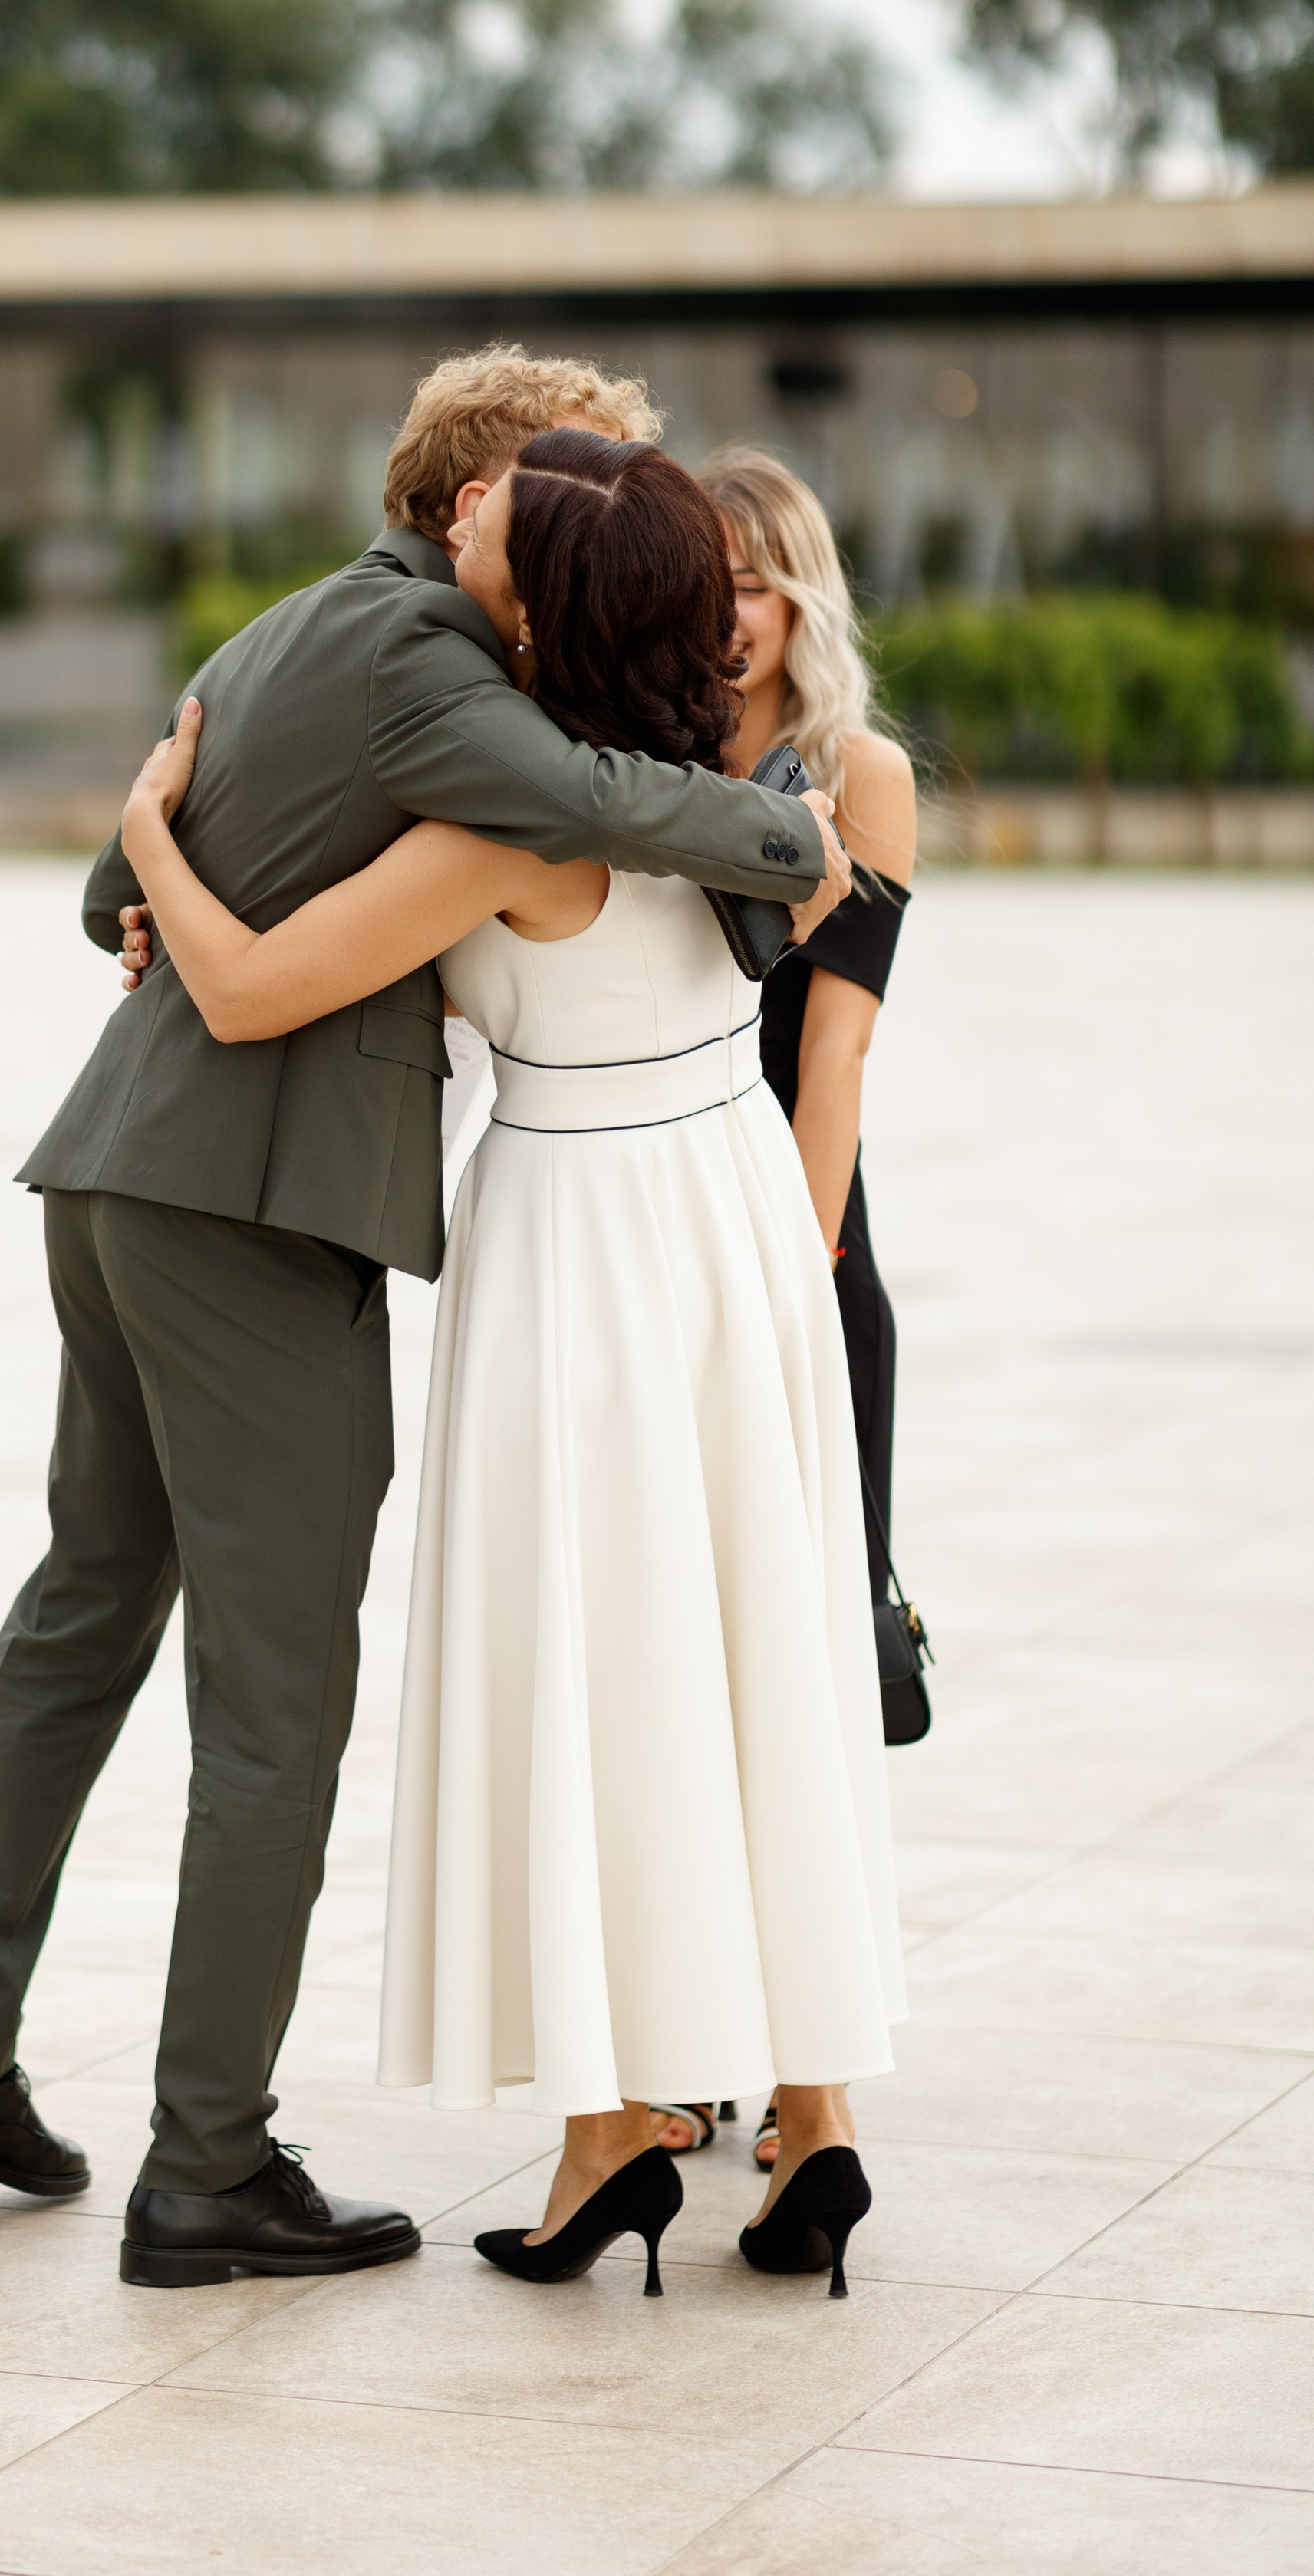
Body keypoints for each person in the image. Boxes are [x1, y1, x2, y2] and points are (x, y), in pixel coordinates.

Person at [0, 349, 850, 2288]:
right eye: (585, 492)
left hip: (119, 1177)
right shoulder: (433, 670)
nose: (618, 525)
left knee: (82, 1611)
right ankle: (206, 2166)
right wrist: (795, 838)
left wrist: (158, 867)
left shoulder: (287, 626)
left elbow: (105, 891)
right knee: (277, 1703)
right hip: (246, 1212)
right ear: (485, 505)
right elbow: (587, 804)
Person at [115, 429, 904, 2302]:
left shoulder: (493, 833)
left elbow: (241, 987)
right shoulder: (751, 792)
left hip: (579, 1236)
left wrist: (150, 835)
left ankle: (604, 2136)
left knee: (596, 1670)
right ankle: (813, 2116)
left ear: (549, 613)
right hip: (735, 1215)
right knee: (756, 1647)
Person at [702, 446, 917, 2176]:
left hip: (799, 1252)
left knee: (806, 1664)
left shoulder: (857, 776)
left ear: (801, 597)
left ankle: (808, 2072)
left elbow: (830, 1062)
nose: (729, 614)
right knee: (678, 1664)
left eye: (756, 582)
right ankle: (688, 2035)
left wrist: (786, 1284)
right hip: (645, 1240)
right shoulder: (624, 753)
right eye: (702, 581)